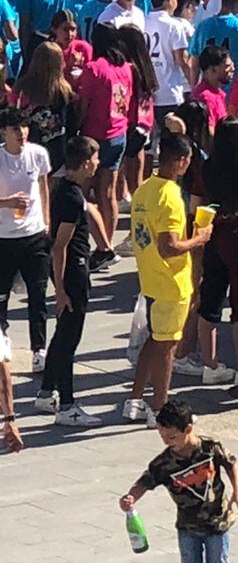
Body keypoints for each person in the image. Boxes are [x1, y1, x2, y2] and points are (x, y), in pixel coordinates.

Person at [125, 134, 211, 423]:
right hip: (171, 282)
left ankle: (135, 399)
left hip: (149, 278)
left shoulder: (144, 189)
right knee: (167, 346)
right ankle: (161, 409)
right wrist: (199, 238)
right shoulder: (171, 195)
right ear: (183, 161)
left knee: (154, 339)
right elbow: (170, 246)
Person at [118, 398, 238, 563]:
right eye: (162, 436)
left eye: (172, 437)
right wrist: (131, 497)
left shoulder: (209, 447)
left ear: (188, 429)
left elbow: (231, 464)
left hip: (218, 521)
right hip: (188, 526)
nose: (166, 441)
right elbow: (144, 482)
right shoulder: (164, 463)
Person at [44, 135, 99, 426]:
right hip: (74, 273)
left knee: (62, 334)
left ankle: (45, 390)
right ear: (87, 161)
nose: (98, 163)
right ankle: (67, 405)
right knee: (69, 340)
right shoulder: (73, 197)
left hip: (73, 270)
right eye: (96, 158)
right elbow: (60, 245)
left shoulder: (65, 188)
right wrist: (61, 290)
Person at [0, 106, 52, 375]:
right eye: (15, 129)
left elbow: (43, 186)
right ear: (4, 133)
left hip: (34, 236)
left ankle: (39, 350)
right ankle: (3, 340)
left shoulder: (38, 154)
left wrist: (47, 222)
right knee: (2, 296)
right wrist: (7, 202)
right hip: (4, 238)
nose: (21, 134)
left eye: (24, 128)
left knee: (38, 295)